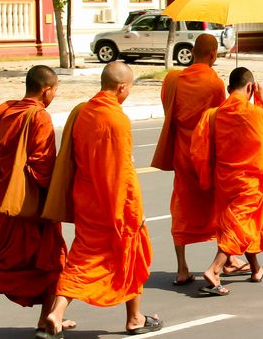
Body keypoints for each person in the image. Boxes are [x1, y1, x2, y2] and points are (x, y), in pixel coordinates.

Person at [38, 61, 161, 338]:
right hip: (115, 204)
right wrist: (135, 211)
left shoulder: (84, 112)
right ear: (122, 88)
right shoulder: (117, 119)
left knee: (81, 260)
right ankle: (134, 319)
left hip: (87, 201)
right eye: (129, 88)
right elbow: (124, 173)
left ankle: (56, 314)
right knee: (132, 256)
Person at [0, 65, 74, 337]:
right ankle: (46, 320)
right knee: (53, 261)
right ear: (46, 90)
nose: (54, 97)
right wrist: (55, 196)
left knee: (1, 260)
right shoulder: (40, 117)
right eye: (55, 91)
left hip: (3, 202)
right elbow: (42, 164)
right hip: (31, 205)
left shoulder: (1, 111)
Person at [151, 34, 249, 285]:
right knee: (219, 205)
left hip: (182, 151)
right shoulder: (215, 84)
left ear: (193, 51)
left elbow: (169, 109)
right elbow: (221, 118)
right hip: (205, 152)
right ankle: (228, 260)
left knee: (181, 207)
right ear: (213, 55)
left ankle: (182, 267)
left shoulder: (172, 79)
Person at [192, 67, 263, 296]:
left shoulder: (214, 114)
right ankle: (214, 270)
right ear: (251, 88)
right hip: (248, 183)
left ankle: (255, 269)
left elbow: (198, 149)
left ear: (228, 88)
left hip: (224, 180)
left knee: (245, 222)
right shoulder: (258, 115)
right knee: (239, 224)